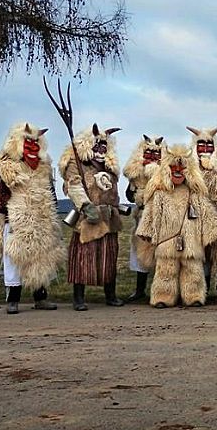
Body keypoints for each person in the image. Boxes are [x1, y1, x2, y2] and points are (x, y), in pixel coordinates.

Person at [0, 123, 65, 314]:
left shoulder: (43, 167)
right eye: (27, 141)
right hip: (17, 220)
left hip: (41, 218)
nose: (32, 146)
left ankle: (40, 298)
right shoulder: (7, 166)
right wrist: (7, 214)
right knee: (15, 259)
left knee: (41, 258)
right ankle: (13, 299)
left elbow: (50, 191)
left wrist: (51, 210)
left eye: (35, 142)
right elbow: (0, 194)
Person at [136, 145, 217, 307]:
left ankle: (194, 296)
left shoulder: (196, 194)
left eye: (181, 168)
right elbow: (150, 212)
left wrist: (213, 232)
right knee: (165, 270)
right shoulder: (160, 193)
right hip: (166, 241)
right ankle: (163, 297)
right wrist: (146, 230)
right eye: (173, 167)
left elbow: (207, 213)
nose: (177, 171)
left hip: (191, 241)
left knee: (193, 270)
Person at [59, 124, 126, 311]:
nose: (100, 150)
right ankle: (78, 298)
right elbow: (73, 186)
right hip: (87, 219)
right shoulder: (76, 164)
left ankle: (110, 295)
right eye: (97, 146)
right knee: (83, 258)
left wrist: (116, 206)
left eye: (104, 146)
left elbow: (112, 191)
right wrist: (86, 205)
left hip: (109, 218)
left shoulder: (110, 167)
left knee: (108, 258)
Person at [187, 126, 217, 298]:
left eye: (209, 146)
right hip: (197, 216)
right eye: (201, 145)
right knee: (201, 252)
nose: (205, 149)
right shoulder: (190, 168)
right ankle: (202, 285)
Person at [122, 134, 165, 302]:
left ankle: (161, 289)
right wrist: (135, 190)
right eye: (149, 154)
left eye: (156, 154)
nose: (152, 157)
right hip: (142, 215)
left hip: (161, 216)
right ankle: (140, 290)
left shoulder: (164, 173)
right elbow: (129, 196)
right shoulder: (137, 176)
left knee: (161, 253)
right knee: (141, 251)